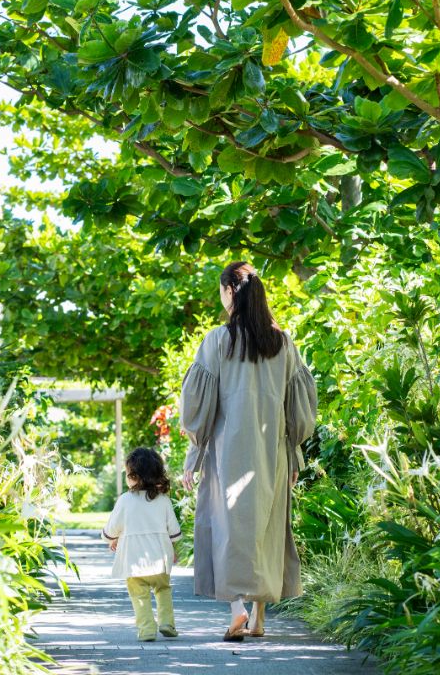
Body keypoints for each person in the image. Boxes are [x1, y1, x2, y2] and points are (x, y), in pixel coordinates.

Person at [180, 261, 318, 641]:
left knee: (229, 530)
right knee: (266, 529)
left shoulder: (217, 341)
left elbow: (198, 408)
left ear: (229, 292)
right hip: (272, 455)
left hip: (227, 454)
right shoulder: (282, 343)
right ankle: (258, 619)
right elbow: (298, 408)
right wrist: (295, 454)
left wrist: (193, 455)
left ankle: (237, 610)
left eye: (221, 292)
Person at [102, 447, 183, 642]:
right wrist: (174, 550)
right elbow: (174, 531)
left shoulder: (125, 500)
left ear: (133, 476)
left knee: (139, 595)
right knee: (163, 590)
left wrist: (112, 538)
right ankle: (167, 623)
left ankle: (147, 630)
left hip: (134, 561)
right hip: (160, 559)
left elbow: (111, 529)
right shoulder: (163, 500)